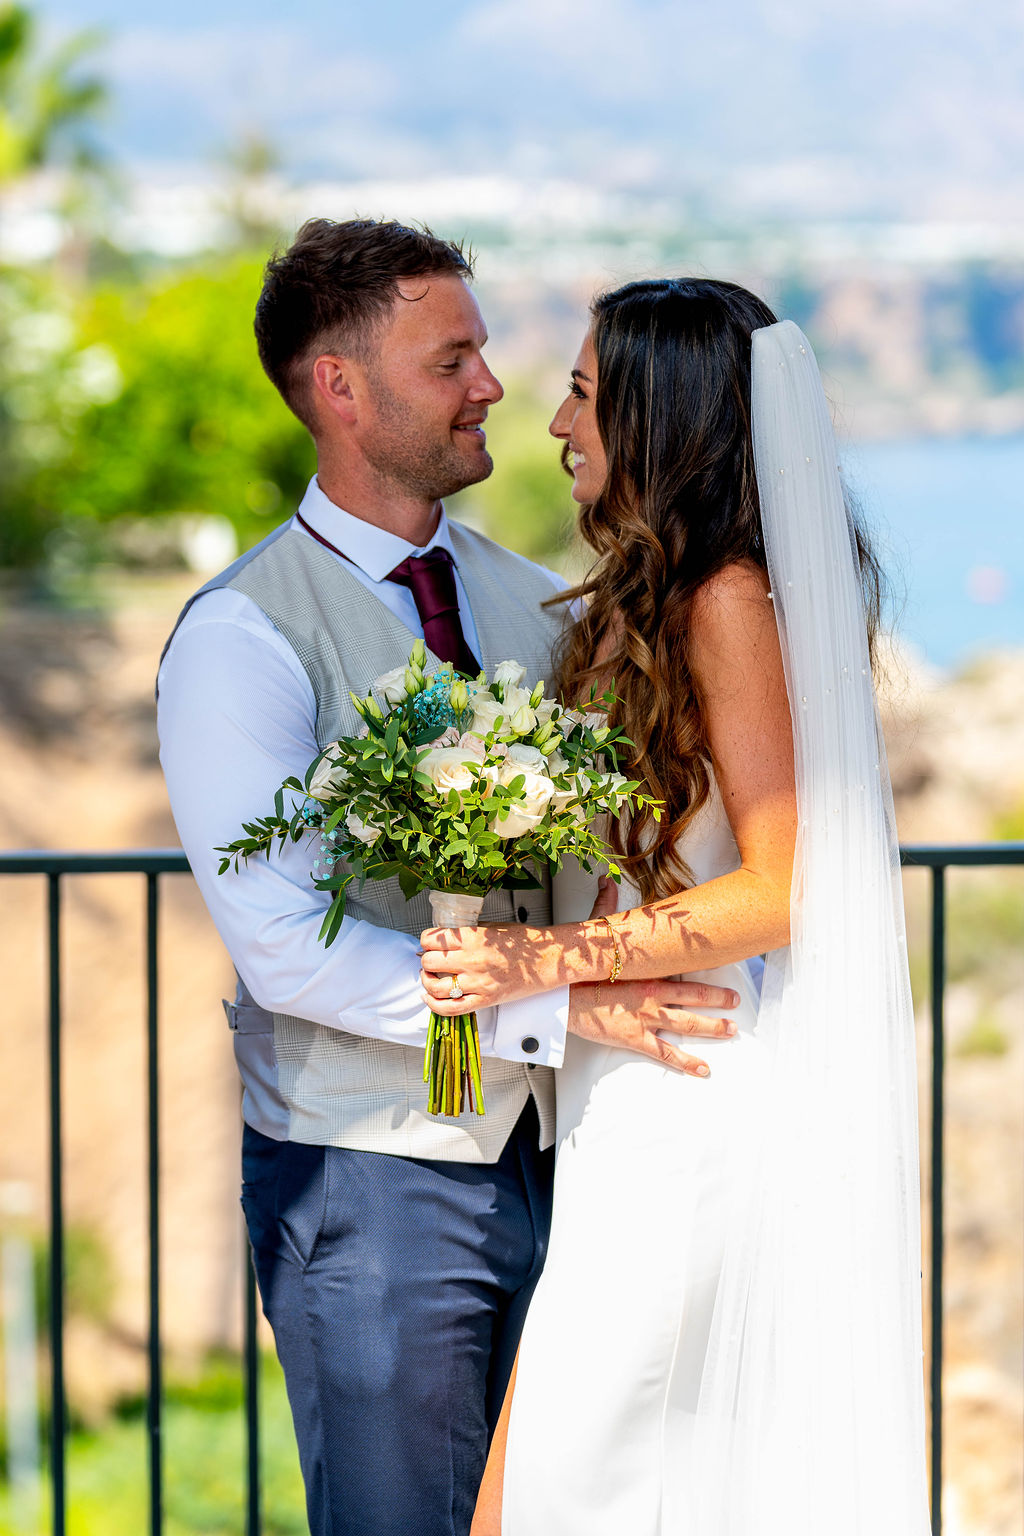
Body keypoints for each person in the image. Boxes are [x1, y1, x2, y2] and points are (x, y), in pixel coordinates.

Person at [156, 222, 736, 1536]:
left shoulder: (538, 604)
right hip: (372, 1187)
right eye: (454, 358)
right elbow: (288, 950)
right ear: (341, 392)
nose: (492, 388)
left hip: (574, 1159)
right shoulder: (243, 638)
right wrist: (559, 1009)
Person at [421, 279, 933, 1535]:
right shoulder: (651, 608)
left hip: (691, 1103)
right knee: (552, 1479)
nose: (556, 420)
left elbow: (779, 886)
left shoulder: (724, 604)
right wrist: (565, 981)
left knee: (567, 1482)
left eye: (587, 393)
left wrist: (538, 957)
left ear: (662, 417)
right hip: (632, 1089)